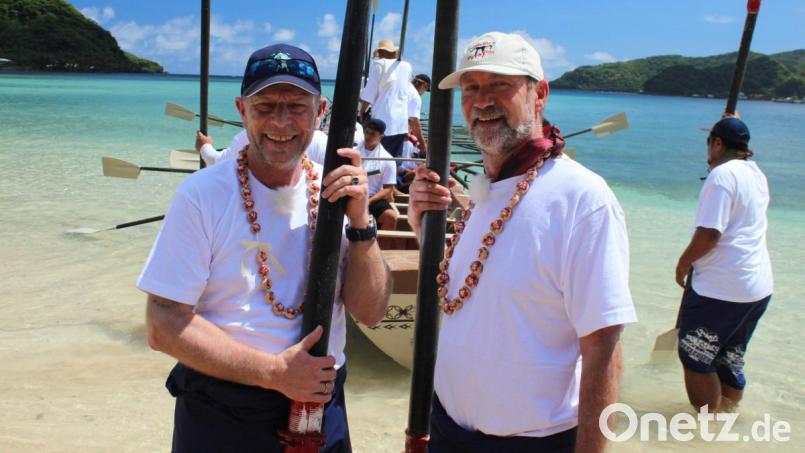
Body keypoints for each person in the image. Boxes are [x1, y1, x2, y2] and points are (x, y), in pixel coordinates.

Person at [137, 43, 391, 452]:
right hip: (223, 411)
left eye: (296, 106)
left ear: (320, 110)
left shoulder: (336, 191)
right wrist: (274, 372)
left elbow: (372, 312)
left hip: (321, 407)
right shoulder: (201, 195)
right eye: (265, 105)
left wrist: (362, 224)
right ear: (242, 109)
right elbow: (162, 324)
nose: (281, 121)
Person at [407, 32, 637, 452]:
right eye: (471, 88)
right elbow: (471, 295)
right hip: (445, 430)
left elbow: (603, 348)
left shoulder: (582, 199)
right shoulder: (484, 189)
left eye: (500, 86)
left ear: (539, 94)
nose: (482, 101)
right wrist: (423, 228)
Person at [675, 115, 773, 413]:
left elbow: (709, 234)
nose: (707, 151)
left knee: (695, 356)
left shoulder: (721, 176)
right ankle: (730, 416)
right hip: (757, 287)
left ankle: (707, 431)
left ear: (717, 143)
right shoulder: (756, 174)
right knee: (729, 356)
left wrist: (683, 264)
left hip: (721, 289)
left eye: (709, 142)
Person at [359, 39, 413, 158]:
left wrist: (361, 112)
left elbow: (369, 94)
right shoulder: (407, 67)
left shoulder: (379, 65)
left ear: (381, 53)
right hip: (401, 123)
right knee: (392, 160)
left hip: (382, 122)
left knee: (376, 158)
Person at [358, 118, 398, 230]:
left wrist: (369, 201)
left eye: (373, 134)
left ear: (381, 136)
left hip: (373, 198)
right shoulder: (354, 151)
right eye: (367, 132)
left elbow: (388, 189)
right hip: (352, 194)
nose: (368, 136)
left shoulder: (388, 159)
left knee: (391, 217)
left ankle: (381, 247)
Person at [407, 73, 430, 156]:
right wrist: (423, 146)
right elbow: (415, 123)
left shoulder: (405, 88)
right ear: (425, 86)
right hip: (398, 136)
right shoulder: (415, 97)